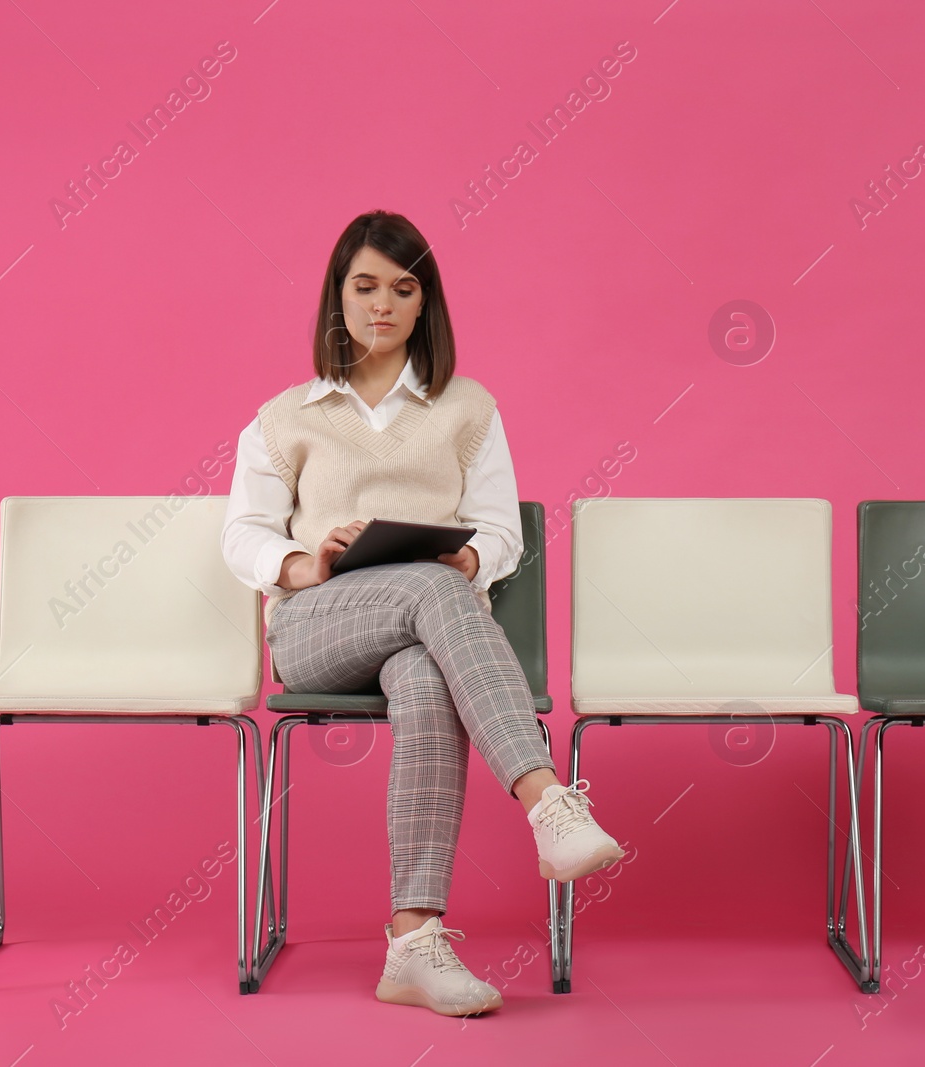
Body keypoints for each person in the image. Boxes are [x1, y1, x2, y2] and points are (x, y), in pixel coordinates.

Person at [221, 210, 624, 1017]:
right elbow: (242, 534)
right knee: (433, 593)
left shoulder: (466, 408)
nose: (382, 304)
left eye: (402, 288)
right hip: (317, 626)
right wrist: (307, 560)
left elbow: (501, 528)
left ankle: (413, 944)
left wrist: (469, 556)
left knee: (426, 674)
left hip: (425, 634)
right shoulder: (284, 416)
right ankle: (547, 799)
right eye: (364, 286)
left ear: (423, 301)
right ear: (338, 296)